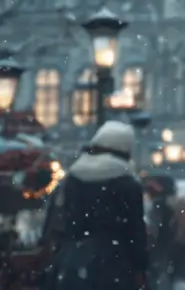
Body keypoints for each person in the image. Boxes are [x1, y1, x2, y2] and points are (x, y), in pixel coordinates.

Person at [45, 121, 148, 290]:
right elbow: (135, 231)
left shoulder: (72, 178)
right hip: (114, 266)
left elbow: (57, 221)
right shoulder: (127, 184)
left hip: (73, 262)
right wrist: (140, 267)